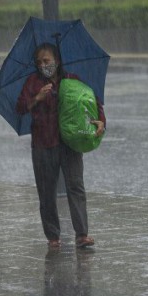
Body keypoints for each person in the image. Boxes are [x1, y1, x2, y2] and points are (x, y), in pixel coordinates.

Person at [16, 43, 106, 249]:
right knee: (46, 192)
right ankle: (53, 236)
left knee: (76, 186)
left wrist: (101, 121)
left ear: (57, 60)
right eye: (39, 62)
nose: (43, 65)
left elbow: (92, 102)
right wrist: (37, 97)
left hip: (70, 143)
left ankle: (82, 234)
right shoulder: (33, 82)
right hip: (43, 144)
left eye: (46, 61)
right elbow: (20, 107)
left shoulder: (72, 81)